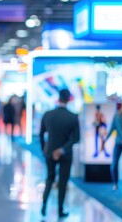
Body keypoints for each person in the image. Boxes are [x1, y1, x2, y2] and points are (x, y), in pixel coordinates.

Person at [39, 89, 80, 219]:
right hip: (66, 154)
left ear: (59, 98)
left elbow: (41, 134)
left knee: (49, 178)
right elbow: (76, 138)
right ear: (68, 99)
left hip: (49, 152)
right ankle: (60, 209)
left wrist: (44, 149)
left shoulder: (48, 114)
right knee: (63, 181)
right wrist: (62, 149)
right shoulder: (73, 117)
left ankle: (44, 204)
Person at [104, 103, 122, 191]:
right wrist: (105, 140)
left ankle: (117, 183)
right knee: (114, 164)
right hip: (119, 143)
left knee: (115, 164)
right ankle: (115, 183)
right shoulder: (117, 117)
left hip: (121, 142)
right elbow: (113, 128)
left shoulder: (118, 116)